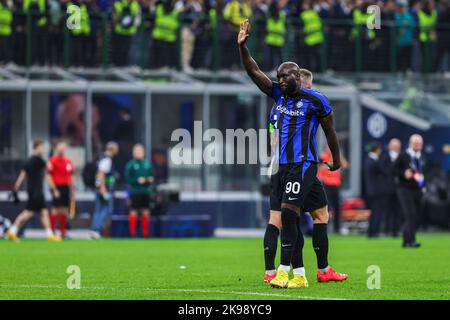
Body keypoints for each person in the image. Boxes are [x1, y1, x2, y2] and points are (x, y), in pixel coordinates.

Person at [238, 19, 348, 289]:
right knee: (321, 215)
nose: (280, 81)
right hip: (283, 166)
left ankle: (284, 272)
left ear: (298, 78)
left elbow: (330, 131)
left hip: (304, 164)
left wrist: (336, 159)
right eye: (278, 77)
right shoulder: (279, 95)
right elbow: (254, 72)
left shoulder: (316, 100)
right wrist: (242, 47)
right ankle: (308, 273)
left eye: (285, 77)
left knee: (288, 214)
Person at [6, 140, 60, 242]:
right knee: (29, 212)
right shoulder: (39, 160)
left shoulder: (29, 160)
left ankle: (49, 234)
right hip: (37, 191)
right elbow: (49, 169)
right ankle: (12, 231)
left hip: (32, 190)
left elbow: (22, 174)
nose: (43, 150)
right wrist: (54, 189)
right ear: (37, 147)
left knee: (44, 212)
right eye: (42, 147)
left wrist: (16, 187)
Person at [394, 134, 425, 248]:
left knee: (416, 215)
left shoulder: (421, 156)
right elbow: (393, 170)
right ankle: (407, 241)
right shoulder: (403, 155)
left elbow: (421, 173)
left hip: (417, 189)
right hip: (404, 189)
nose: (417, 145)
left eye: (419, 143)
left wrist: (423, 185)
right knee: (410, 214)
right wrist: (403, 173)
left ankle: (411, 240)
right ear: (410, 143)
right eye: (415, 143)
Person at [90, 141, 119, 239]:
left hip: (100, 187)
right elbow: (101, 174)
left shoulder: (102, 158)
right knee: (105, 209)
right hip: (104, 188)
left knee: (99, 209)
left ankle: (94, 230)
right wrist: (103, 189)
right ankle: (96, 229)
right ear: (112, 149)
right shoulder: (106, 159)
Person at [47, 139, 75, 239]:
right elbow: (48, 176)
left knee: (64, 210)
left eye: (63, 148)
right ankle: (52, 232)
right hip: (57, 186)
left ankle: (63, 233)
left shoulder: (68, 161)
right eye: (60, 147)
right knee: (55, 209)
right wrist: (54, 189)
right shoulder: (52, 161)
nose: (62, 149)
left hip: (66, 187)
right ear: (56, 148)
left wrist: (72, 189)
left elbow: (71, 176)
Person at [318, 144, 349, 234]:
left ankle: (337, 228)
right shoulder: (323, 157)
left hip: (336, 185)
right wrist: (332, 166)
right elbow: (319, 168)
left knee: (337, 207)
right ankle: (325, 227)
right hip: (326, 185)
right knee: (326, 207)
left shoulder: (336, 157)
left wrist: (339, 154)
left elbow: (346, 165)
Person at [125, 144, 154, 237]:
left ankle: (145, 234)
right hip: (135, 191)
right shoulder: (131, 164)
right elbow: (127, 178)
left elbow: (152, 176)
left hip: (146, 191)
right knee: (133, 211)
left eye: (140, 151)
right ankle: (132, 234)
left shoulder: (147, 164)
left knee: (146, 212)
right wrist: (137, 180)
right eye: (136, 151)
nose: (138, 152)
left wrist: (149, 180)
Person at [364, 142, 386, 238]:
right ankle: (374, 232)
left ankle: (371, 232)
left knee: (374, 212)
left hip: (371, 190)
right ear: (377, 150)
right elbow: (383, 172)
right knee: (377, 212)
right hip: (376, 191)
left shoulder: (367, 160)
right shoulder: (373, 161)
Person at [380, 138, 402, 237]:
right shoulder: (385, 157)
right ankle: (386, 230)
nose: (395, 148)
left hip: (400, 189)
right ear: (390, 147)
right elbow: (384, 172)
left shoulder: (402, 157)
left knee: (398, 211)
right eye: (393, 146)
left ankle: (396, 231)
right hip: (388, 189)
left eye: (397, 146)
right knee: (387, 211)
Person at [112, 0, 139, 66]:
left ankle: (127, 67)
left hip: (130, 32)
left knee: (129, 52)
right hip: (119, 32)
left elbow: (137, 18)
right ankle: (117, 66)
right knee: (119, 52)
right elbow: (114, 18)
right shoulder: (118, 4)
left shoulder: (135, 4)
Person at [394, 0, 416, 72]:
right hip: (399, 42)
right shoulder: (396, 16)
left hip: (408, 41)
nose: (401, 8)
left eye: (402, 6)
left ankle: (407, 69)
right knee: (399, 57)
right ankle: (399, 70)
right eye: (399, 6)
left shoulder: (409, 17)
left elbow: (413, 27)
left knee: (408, 57)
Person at [0, 0, 13, 65]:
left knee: (6, 47)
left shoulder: (9, 5)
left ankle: (7, 61)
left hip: (7, 31)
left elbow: (11, 16)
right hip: (1, 30)